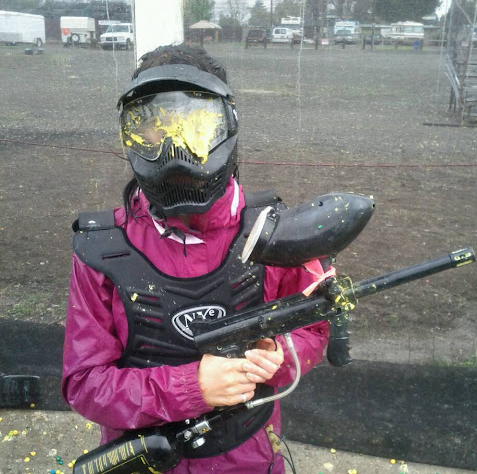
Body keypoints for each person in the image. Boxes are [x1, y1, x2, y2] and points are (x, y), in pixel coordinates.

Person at [62, 44, 329, 473]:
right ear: (131, 136)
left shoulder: (272, 232)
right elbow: (84, 383)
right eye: (153, 127)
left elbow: (314, 327)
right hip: (143, 457)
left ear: (226, 126)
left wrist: (280, 355)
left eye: (195, 123)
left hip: (249, 457)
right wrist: (192, 387)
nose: (175, 148)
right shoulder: (103, 251)